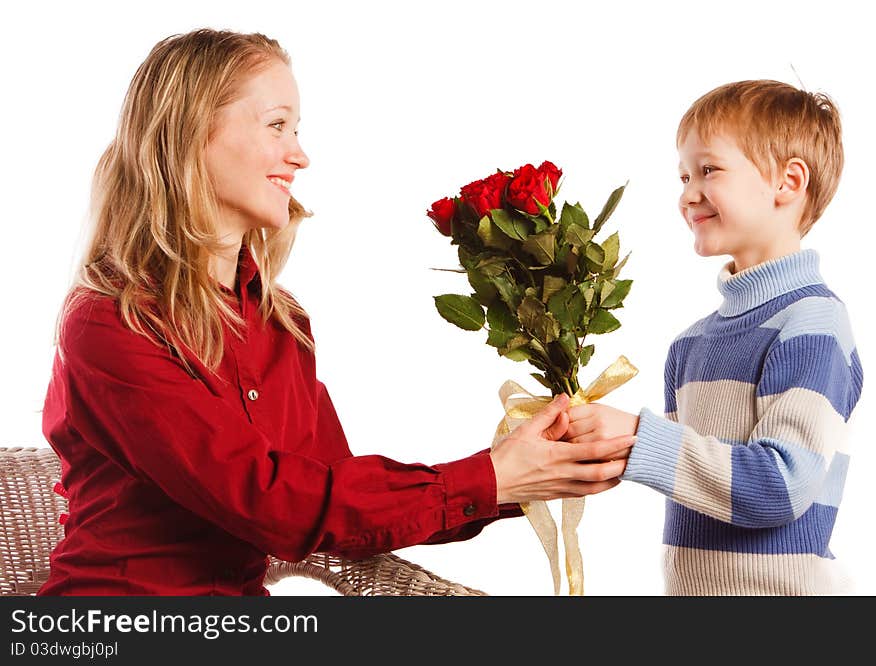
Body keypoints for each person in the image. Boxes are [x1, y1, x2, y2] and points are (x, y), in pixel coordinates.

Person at [37, 29, 634, 596]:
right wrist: (490, 477)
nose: (299, 156)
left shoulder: (279, 322)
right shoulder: (110, 321)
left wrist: (525, 467)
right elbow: (274, 503)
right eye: (277, 126)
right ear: (191, 133)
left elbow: (335, 498)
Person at [564, 80, 864, 595]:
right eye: (683, 176)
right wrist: (598, 446)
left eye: (708, 170)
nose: (687, 194)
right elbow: (696, 478)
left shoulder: (813, 325)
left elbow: (781, 485)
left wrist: (637, 438)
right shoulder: (690, 345)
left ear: (788, 182)